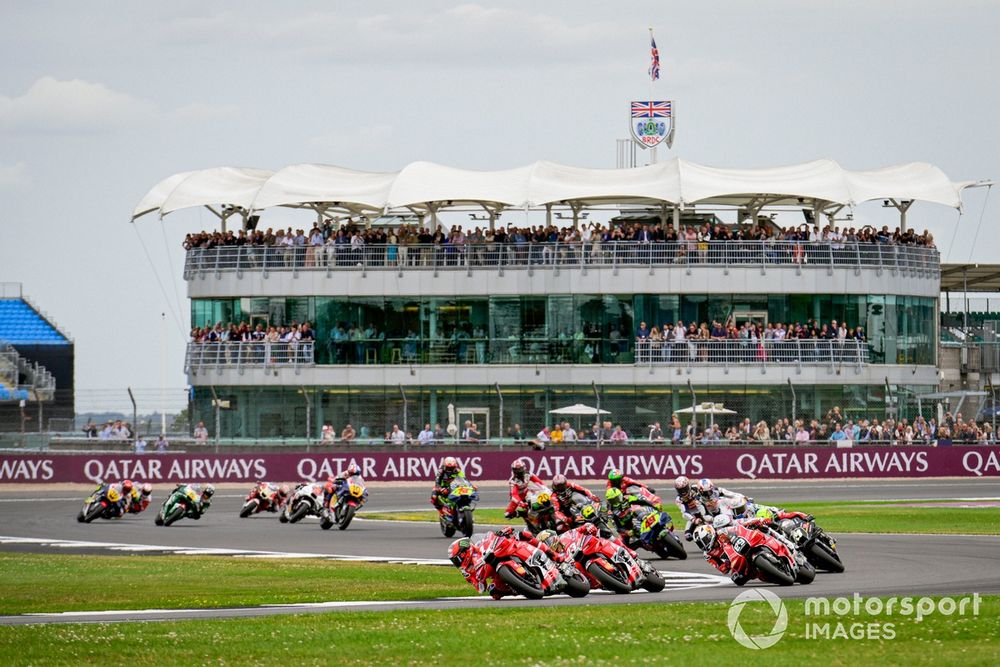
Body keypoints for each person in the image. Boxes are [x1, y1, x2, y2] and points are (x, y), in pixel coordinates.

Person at [673, 476, 708, 540]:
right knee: (688, 536)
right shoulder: (678, 499)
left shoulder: (695, 487)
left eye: (684, 489)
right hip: (694, 516)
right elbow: (684, 513)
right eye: (680, 490)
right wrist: (693, 520)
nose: (683, 491)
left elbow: (707, 493)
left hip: (706, 510)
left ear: (688, 485)